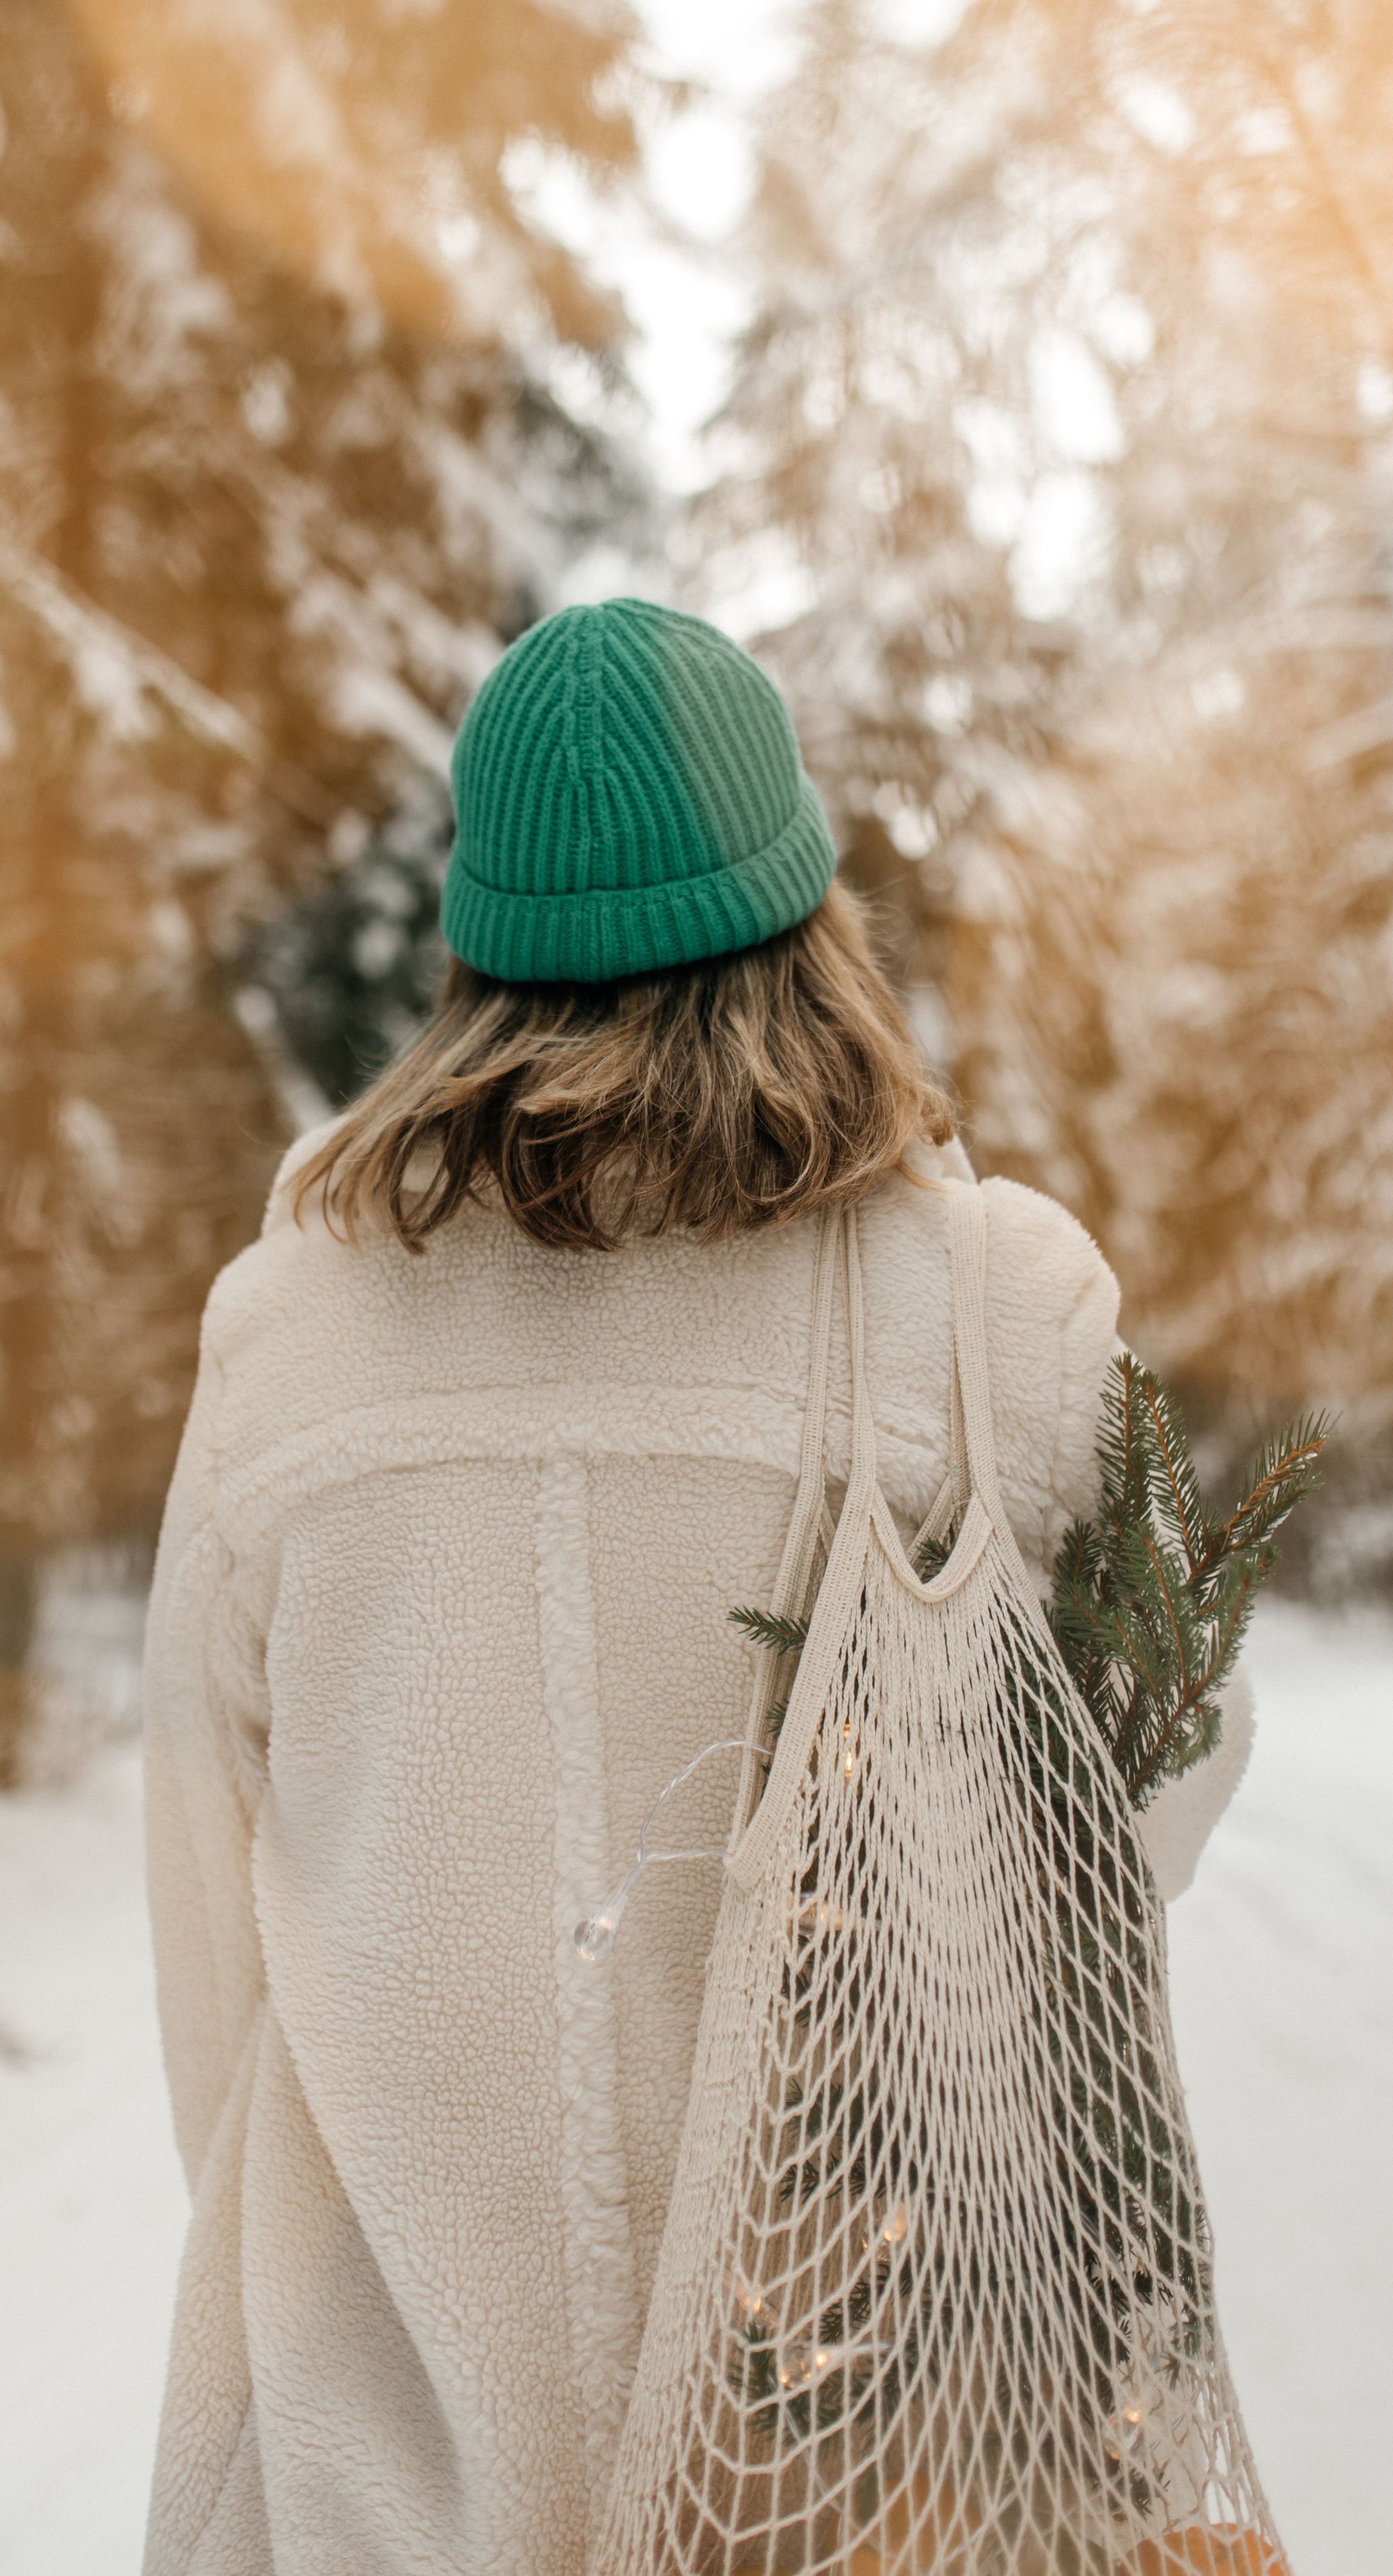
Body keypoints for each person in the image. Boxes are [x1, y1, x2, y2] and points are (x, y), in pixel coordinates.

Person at [138, 600, 1251, 2576]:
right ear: (802, 908)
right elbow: (1154, 1777)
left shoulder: (287, 1336)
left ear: (476, 948)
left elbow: (213, 1923)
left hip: (372, 2471)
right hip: (875, 2461)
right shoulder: (997, 1304)